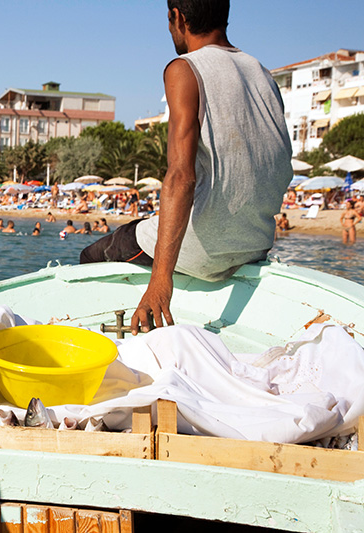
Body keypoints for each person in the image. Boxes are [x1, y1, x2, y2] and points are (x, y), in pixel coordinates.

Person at [79, 0, 291, 335]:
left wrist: (160, 282)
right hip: (255, 244)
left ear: (177, 17)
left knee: (97, 251)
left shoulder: (184, 68)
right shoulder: (262, 73)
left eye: (169, 21)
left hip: (207, 247)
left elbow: (181, 176)